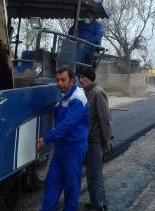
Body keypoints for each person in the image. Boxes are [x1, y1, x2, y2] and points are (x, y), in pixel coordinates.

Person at [37, 67, 90, 211]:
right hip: (61, 148)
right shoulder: (66, 95)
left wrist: (46, 140)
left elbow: (66, 125)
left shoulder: (78, 98)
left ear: (72, 81)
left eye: (63, 80)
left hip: (74, 148)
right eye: (57, 80)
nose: (59, 83)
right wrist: (56, 108)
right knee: (52, 183)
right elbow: (61, 117)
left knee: (71, 186)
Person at [78, 67, 112, 211]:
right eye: (80, 77)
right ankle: (101, 202)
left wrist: (106, 142)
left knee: (94, 174)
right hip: (89, 139)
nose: (81, 80)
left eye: (84, 77)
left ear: (91, 78)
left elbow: (105, 119)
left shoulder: (98, 92)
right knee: (95, 173)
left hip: (96, 140)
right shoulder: (87, 92)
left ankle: (97, 205)